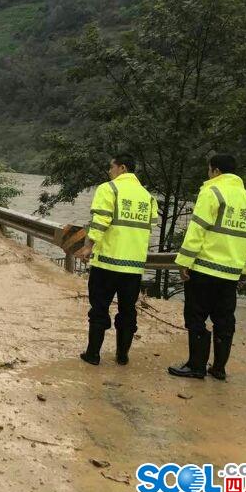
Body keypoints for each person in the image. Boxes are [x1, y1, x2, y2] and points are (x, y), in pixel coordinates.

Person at [168, 154, 246, 380]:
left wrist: (184, 262)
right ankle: (219, 368)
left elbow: (197, 230)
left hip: (205, 269)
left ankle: (196, 366)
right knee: (224, 320)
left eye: (209, 170)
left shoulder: (212, 192)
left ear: (216, 171)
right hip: (230, 273)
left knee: (196, 316)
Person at [75, 154, 159, 366]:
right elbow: (152, 225)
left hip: (108, 262)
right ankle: (122, 356)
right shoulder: (147, 197)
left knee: (99, 308)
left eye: (111, 167)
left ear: (122, 168)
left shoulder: (109, 189)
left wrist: (89, 246)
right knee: (128, 310)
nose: (109, 171)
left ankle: (93, 354)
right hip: (133, 266)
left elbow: (101, 221)